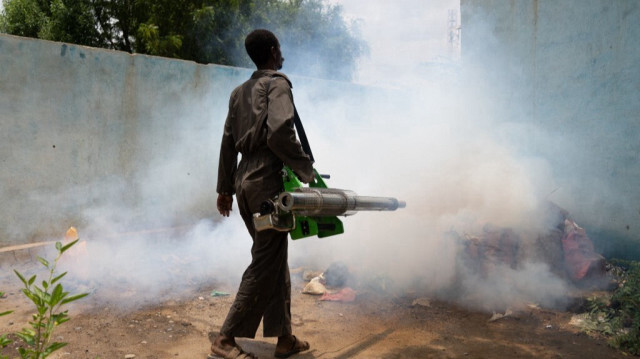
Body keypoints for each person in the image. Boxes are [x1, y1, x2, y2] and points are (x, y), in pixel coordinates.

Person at [211, 29, 313, 359]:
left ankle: (284, 339)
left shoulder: (238, 92)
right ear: (272, 51)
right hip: (267, 180)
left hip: (244, 182)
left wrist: (225, 189)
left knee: (273, 256)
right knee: (265, 260)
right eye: (279, 48)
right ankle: (226, 339)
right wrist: (304, 168)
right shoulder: (277, 83)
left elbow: (228, 142)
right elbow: (281, 131)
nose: (282, 53)